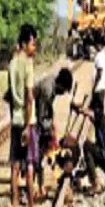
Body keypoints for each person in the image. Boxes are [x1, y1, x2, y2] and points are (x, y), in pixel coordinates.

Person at [8, 24, 39, 207]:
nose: (34, 47)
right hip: (28, 121)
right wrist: (28, 125)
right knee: (28, 166)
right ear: (26, 42)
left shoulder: (11, 63)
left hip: (15, 120)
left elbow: (9, 96)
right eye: (33, 43)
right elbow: (29, 97)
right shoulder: (28, 64)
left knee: (14, 167)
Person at [34, 67, 75, 198]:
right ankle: (35, 186)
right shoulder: (47, 89)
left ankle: (39, 185)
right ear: (61, 85)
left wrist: (52, 125)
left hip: (37, 117)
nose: (62, 94)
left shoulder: (52, 86)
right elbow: (41, 116)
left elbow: (48, 111)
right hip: (28, 116)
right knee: (36, 154)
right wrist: (51, 131)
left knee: (41, 153)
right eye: (64, 91)